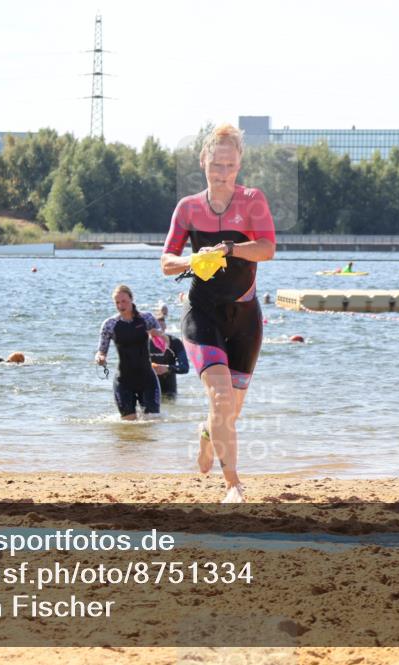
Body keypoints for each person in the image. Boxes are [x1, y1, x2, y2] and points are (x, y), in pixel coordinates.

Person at [160, 124, 276, 503]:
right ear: (203, 161)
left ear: (239, 164)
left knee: (229, 410)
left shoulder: (253, 201)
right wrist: (193, 259)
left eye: (229, 164)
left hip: (244, 319)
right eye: (215, 163)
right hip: (202, 315)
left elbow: (266, 249)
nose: (222, 171)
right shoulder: (188, 208)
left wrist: (228, 250)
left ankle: (208, 434)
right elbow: (166, 263)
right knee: (221, 401)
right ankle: (233, 485)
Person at [95, 285, 166, 420]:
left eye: (124, 301)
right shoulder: (110, 324)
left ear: (132, 299)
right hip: (124, 381)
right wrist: (100, 358)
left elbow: (164, 339)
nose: (121, 305)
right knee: (128, 425)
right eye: (117, 302)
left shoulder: (147, 318)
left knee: (153, 422)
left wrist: (158, 334)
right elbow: (101, 351)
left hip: (147, 379)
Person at [148, 305, 189, 399]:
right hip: (148, 391)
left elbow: (184, 367)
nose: (158, 335)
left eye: (160, 330)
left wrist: (167, 368)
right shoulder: (143, 343)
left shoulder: (175, 342)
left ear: (165, 327)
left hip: (169, 392)